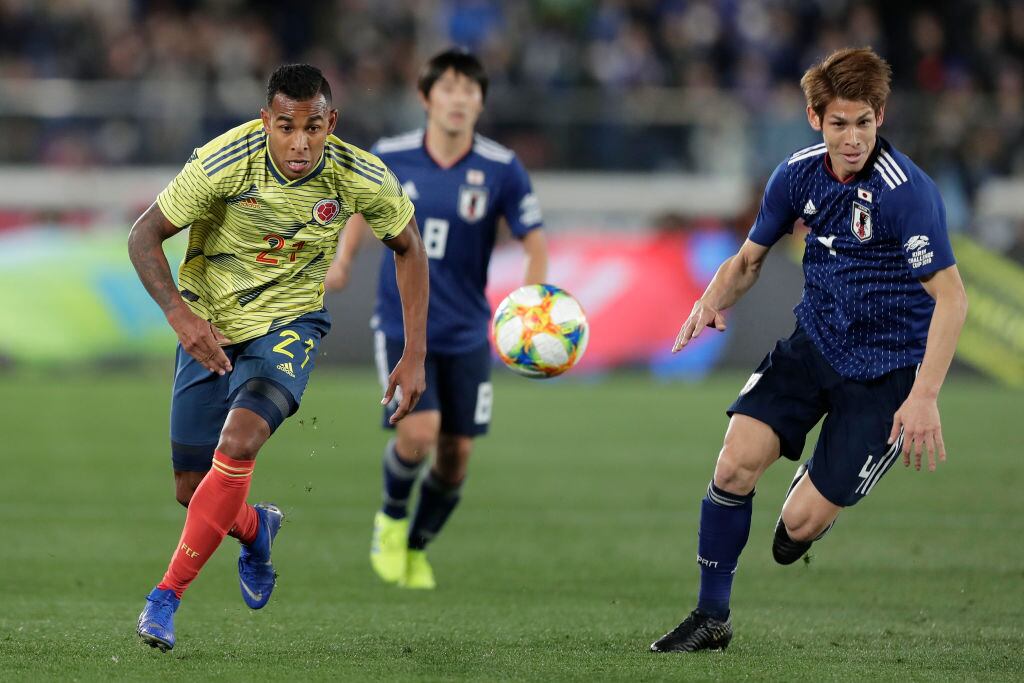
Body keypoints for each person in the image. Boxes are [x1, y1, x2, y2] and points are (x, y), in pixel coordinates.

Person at [650, 47, 968, 653]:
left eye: (865, 123)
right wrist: (711, 298)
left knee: (796, 529)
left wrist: (924, 395)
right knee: (734, 463)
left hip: (887, 374)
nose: (853, 139)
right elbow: (748, 260)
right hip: (814, 344)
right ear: (814, 119)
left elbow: (952, 300)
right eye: (839, 123)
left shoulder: (908, 195)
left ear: (881, 116)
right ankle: (711, 616)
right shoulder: (796, 174)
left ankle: (820, 494)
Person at [128, 64, 429, 651]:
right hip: (209, 325)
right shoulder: (223, 161)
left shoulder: (359, 175)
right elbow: (143, 235)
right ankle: (255, 526)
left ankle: (165, 597)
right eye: (286, 126)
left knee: (238, 443)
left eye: (313, 127)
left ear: (330, 123)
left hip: (290, 326)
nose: (300, 142)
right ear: (266, 120)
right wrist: (180, 317)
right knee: (195, 492)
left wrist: (414, 353)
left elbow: (409, 248)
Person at [325, 48, 548, 589]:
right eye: (448, 88)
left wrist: (533, 301)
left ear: (480, 102)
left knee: (455, 457)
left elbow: (533, 241)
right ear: (426, 98)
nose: (459, 99)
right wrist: (344, 258)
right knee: (419, 433)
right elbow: (359, 206)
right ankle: (392, 520)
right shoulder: (392, 155)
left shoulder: (501, 166)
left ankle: (417, 546)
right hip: (402, 323)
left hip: (469, 328)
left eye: (470, 90)